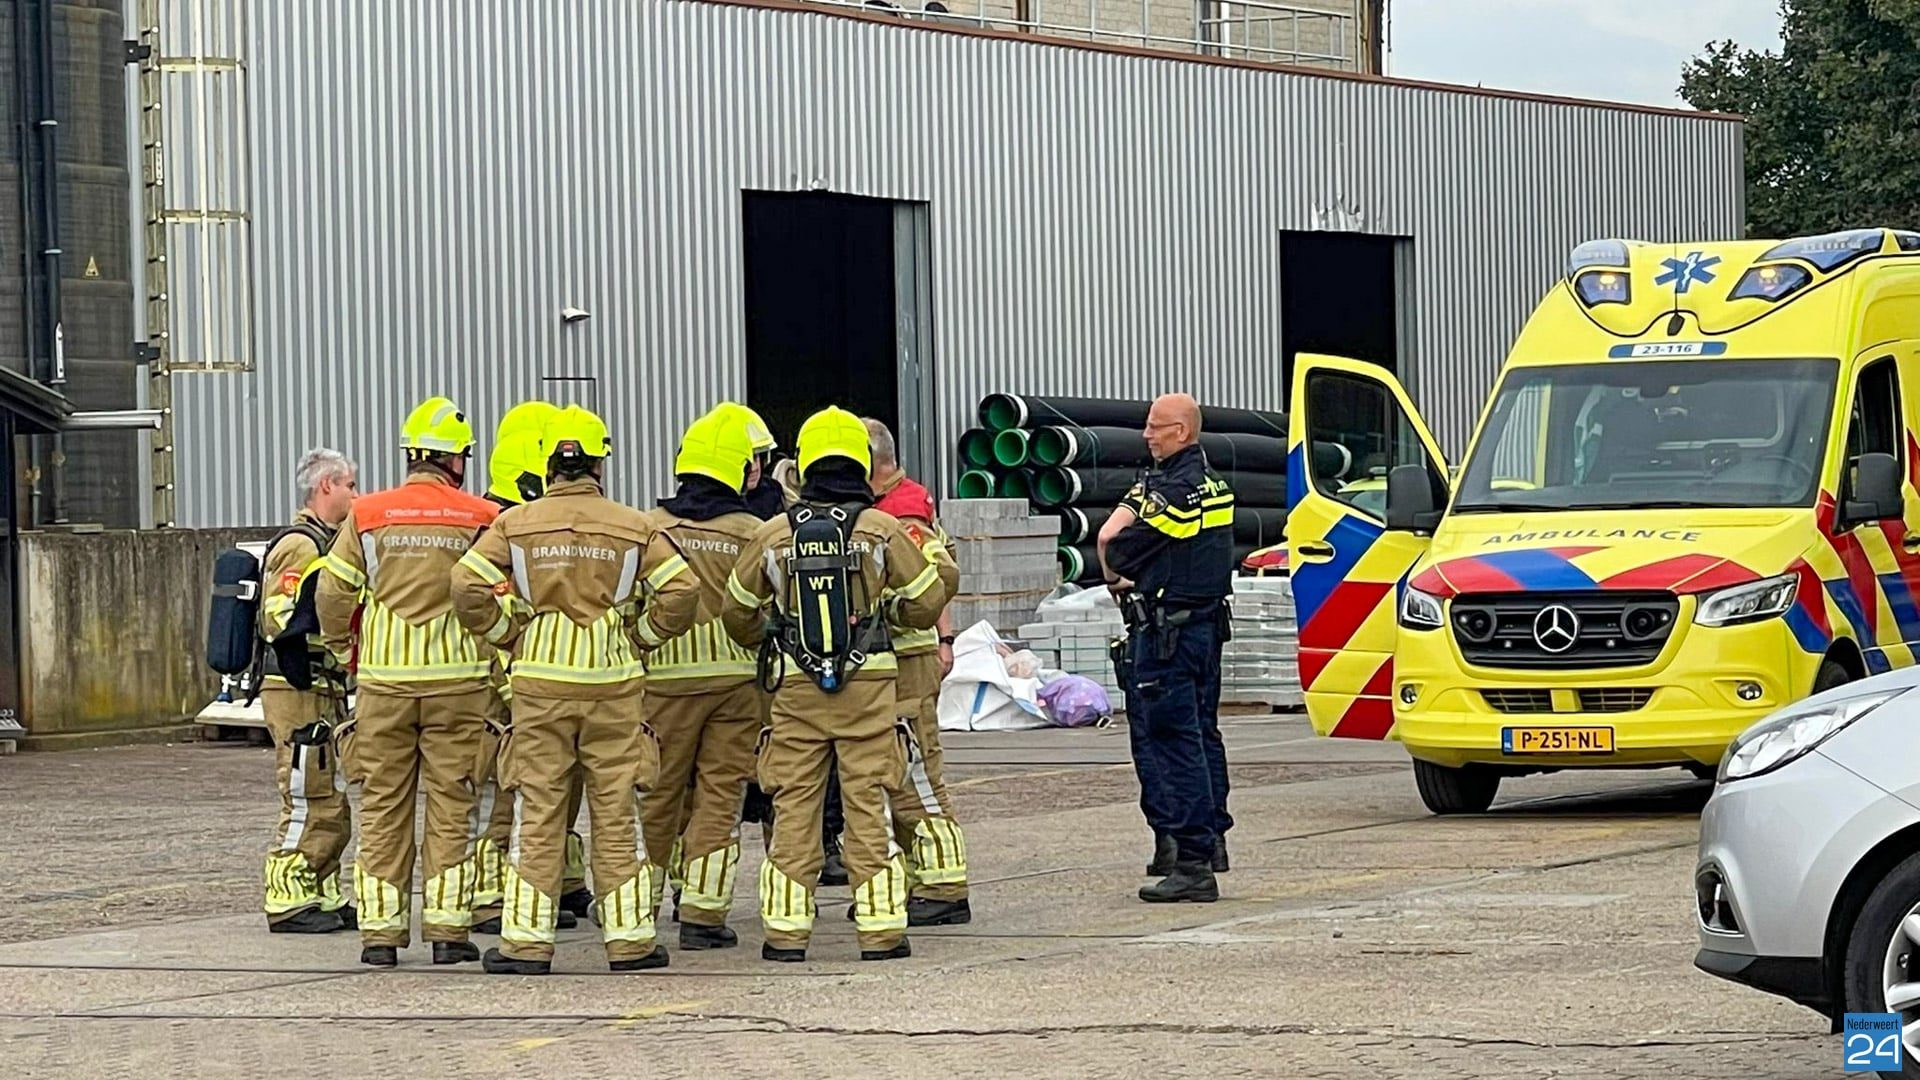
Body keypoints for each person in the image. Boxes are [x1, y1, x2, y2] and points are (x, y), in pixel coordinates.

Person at [451, 405, 702, 975]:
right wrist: (639, 636)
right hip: (614, 684)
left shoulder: (515, 524)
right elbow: (681, 591)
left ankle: (525, 944)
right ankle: (631, 941)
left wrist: (510, 633)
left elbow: (465, 582)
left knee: (539, 809)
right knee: (616, 812)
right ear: (599, 464)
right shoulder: (634, 525)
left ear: (549, 468)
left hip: (540, 683)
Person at [721, 406, 946, 962]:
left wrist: (771, 631)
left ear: (806, 463)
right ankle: (881, 931)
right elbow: (928, 598)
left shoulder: (774, 533)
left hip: (796, 690)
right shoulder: (881, 528)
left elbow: (737, 609)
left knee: (795, 803)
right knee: (867, 802)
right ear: (860, 461)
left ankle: (786, 934)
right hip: (869, 686)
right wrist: (887, 614)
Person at [317, 397, 500, 966]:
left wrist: (344, 647)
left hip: (384, 685)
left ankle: (379, 935)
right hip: (459, 684)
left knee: (383, 805)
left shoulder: (368, 514)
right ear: (458, 460)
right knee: (453, 802)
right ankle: (447, 933)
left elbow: (332, 592)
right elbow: (497, 596)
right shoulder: (481, 515)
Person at [635, 407, 766, 949]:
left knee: (658, 795)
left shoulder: (648, 527)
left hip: (662, 684)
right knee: (721, 795)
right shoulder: (753, 533)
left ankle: (638, 907)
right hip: (737, 685)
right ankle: (703, 915)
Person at [1097, 393, 1235, 903]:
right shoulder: (1212, 483)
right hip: (1201, 630)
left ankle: (1191, 860)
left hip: (1169, 635)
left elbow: (1120, 547)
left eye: (1156, 428)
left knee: (1171, 742)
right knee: (1201, 734)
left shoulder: (1178, 493)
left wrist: (1119, 567)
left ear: (1181, 431)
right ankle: (1210, 841)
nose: (1146, 435)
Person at [470, 400, 585, 935]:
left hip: (530, 683)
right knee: (509, 790)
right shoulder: (504, 528)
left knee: (547, 787)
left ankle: (559, 881)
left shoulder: (518, 525)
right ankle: (494, 896)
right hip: (509, 687)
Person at [862, 417, 968, 926]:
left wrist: (941, 639)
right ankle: (920, 877)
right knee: (897, 772)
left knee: (917, 774)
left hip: (906, 659)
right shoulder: (899, 504)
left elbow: (933, 582)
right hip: (903, 656)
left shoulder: (901, 514)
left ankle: (946, 885)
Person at [259, 448, 359, 934]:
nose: (355, 496)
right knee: (305, 792)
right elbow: (279, 617)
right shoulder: (301, 547)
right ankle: (287, 897)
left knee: (330, 793)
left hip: (322, 687)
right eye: (350, 486)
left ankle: (320, 890)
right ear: (327, 487)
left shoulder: (328, 542)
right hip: (298, 687)